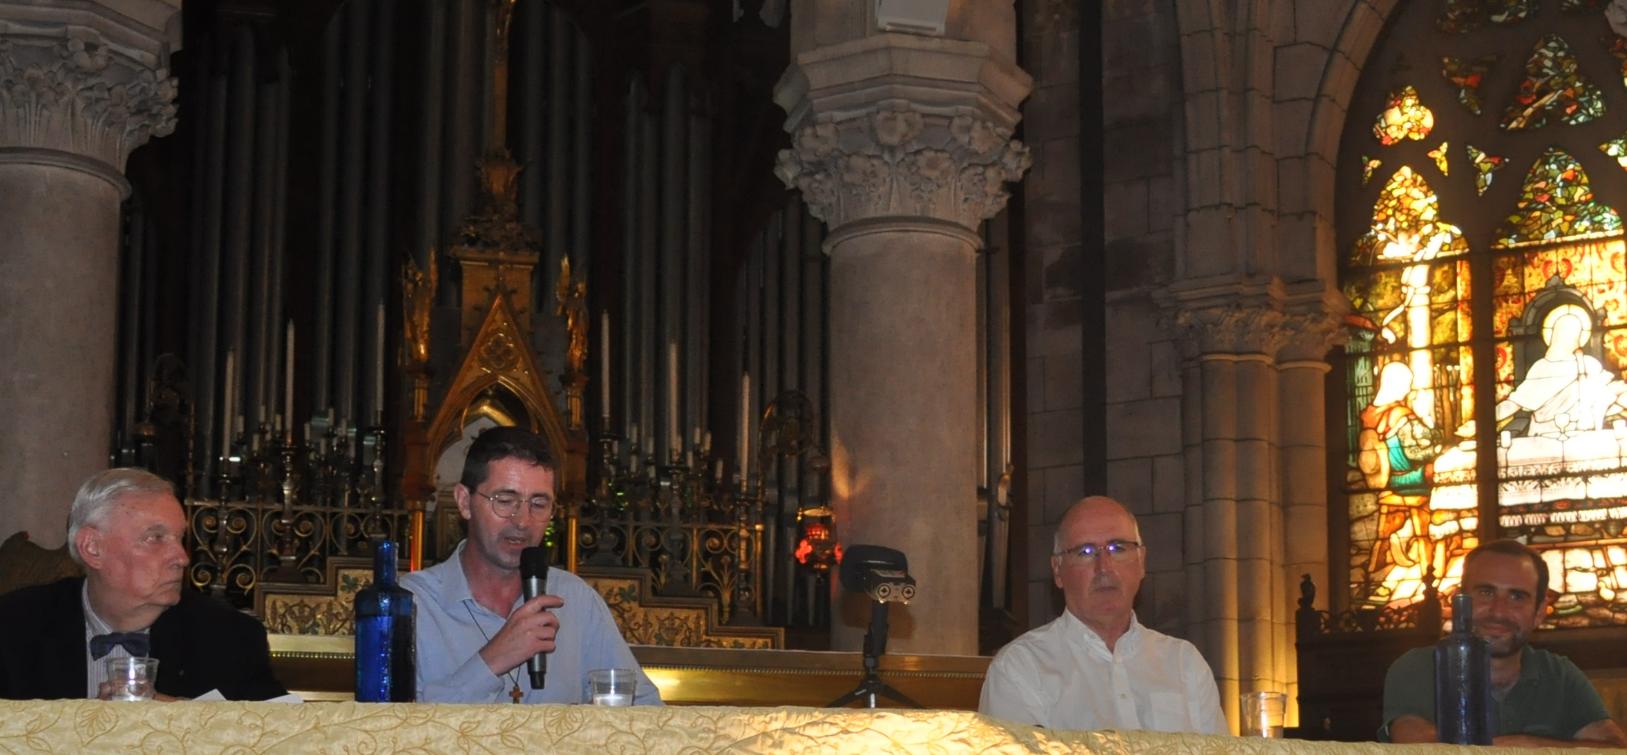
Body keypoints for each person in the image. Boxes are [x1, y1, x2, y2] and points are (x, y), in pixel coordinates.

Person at [403, 426, 661, 704]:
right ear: (464, 502)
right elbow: (388, 728)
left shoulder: (575, 599)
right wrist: (490, 661)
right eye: (505, 500)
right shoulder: (411, 603)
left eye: (539, 504)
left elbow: (643, 711)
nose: (523, 521)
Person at [0, 468, 287, 700]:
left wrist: (181, 721)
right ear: (92, 548)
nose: (182, 558)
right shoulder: (13, 627)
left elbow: (274, 739)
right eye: (155, 538)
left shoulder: (229, 637)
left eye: (179, 538)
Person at [979, 496, 1226, 733]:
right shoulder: (1020, 668)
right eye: (1085, 552)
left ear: (1141, 562)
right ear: (1057, 570)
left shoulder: (1185, 664)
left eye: (1118, 548)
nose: (1104, 567)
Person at [1380, 539, 1627, 746]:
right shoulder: (1419, 666)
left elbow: (1614, 747)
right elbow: (1419, 748)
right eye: (1486, 592)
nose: (1498, 611)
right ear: (1459, 601)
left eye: (1517, 596)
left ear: (1540, 612)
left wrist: (1526, 744)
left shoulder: (1559, 673)